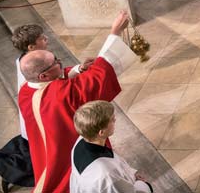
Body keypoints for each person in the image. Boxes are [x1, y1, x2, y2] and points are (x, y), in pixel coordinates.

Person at [18, 12, 135, 193]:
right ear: (44, 75)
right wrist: (115, 33)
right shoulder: (60, 94)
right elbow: (98, 77)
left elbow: (55, 78)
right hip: (68, 153)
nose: (60, 62)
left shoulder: (27, 90)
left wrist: (78, 69)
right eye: (55, 62)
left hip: (49, 149)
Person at [0, 26, 91, 192]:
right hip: (38, 113)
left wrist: (76, 69)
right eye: (41, 37)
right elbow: (51, 85)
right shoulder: (33, 65)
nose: (46, 38)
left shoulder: (28, 60)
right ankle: (6, 173)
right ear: (31, 47)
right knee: (38, 158)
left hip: (37, 109)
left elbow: (56, 77)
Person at [70, 101, 152, 193]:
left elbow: (116, 164)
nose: (115, 120)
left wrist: (132, 174)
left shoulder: (83, 140)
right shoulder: (106, 174)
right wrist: (142, 184)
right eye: (112, 120)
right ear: (101, 132)